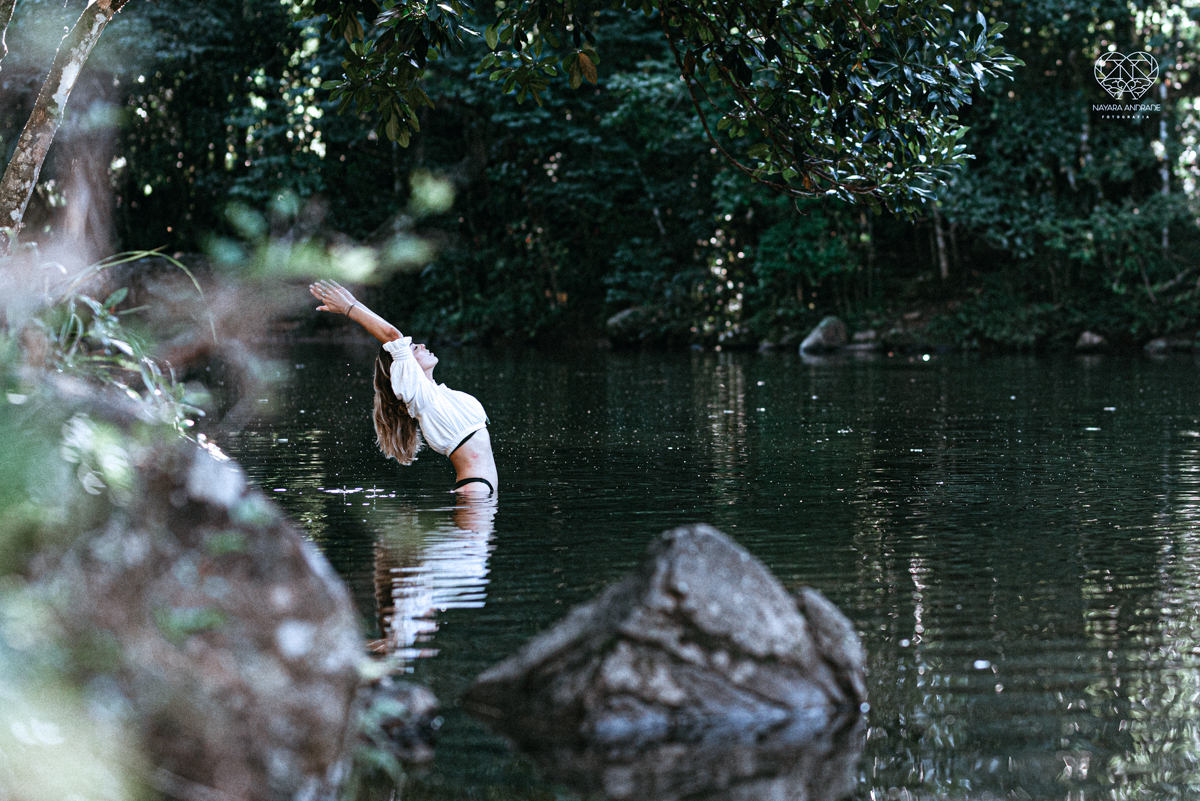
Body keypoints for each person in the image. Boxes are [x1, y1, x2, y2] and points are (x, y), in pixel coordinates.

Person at [309, 279, 498, 495]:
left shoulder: (437, 393)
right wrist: (348, 308)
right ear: (404, 367)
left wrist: (352, 301)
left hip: (482, 489)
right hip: (475, 489)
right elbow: (393, 336)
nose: (422, 345)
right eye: (414, 348)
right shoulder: (418, 395)